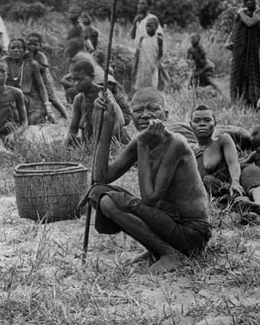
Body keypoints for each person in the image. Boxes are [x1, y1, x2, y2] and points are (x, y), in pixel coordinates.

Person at [81, 88, 211, 273]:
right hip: (167, 224)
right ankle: (155, 249)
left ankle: (171, 254)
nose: (145, 115)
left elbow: (150, 199)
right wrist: (106, 127)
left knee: (109, 200)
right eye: (138, 110)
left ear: (166, 115)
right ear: (131, 116)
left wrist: (142, 144)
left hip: (191, 233)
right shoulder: (140, 139)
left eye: (153, 109)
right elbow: (100, 178)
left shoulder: (176, 143)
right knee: (100, 193)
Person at [190, 105, 260, 209]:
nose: (202, 124)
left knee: (250, 172)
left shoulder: (222, 140)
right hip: (219, 190)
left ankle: (258, 202)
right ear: (190, 125)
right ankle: (246, 206)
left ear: (215, 124)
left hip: (237, 181)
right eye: (197, 121)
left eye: (207, 120)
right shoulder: (189, 150)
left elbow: (233, 163)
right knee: (235, 201)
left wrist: (235, 182)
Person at [66, 59, 130, 147]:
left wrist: (102, 145)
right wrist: (70, 142)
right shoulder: (79, 99)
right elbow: (73, 129)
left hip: (113, 143)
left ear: (92, 77)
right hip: (90, 144)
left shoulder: (104, 94)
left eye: (80, 80)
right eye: (73, 80)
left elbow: (119, 122)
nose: (76, 83)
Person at [4, 39, 52, 125]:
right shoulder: (4, 63)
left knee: (32, 120)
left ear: (24, 51)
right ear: (9, 51)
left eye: (19, 48)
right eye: (13, 48)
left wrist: (48, 108)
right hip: (9, 100)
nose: (15, 50)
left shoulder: (32, 64)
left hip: (28, 102)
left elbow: (41, 87)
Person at [228, 0, 260, 108]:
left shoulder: (257, 12)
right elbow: (234, 29)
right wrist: (228, 41)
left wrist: (241, 13)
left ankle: (254, 102)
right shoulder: (240, 13)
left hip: (254, 50)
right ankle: (239, 102)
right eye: (246, 0)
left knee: (254, 74)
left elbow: (250, 22)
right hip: (240, 49)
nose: (249, 2)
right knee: (238, 73)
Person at [25, 33, 68, 120]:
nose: (32, 46)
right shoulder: (26, 54)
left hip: (45, 80)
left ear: (40, 45)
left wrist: (33, 62)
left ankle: (65, 116)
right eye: (30, 44)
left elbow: (44, 67)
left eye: (35, 44)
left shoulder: (40, 55)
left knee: (53, 98)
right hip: (35, 80)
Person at [134, 16, 163, 90]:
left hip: (152, 68)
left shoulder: (159, 40)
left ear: (156, 27)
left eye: (150, 26)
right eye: (147, 26)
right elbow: (138, 53)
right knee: (141, 87)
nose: (148, 28)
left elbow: (160, 54)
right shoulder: (142, 39)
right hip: (142, 69)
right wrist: (135, 66)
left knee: (151, 87)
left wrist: (156, 65)